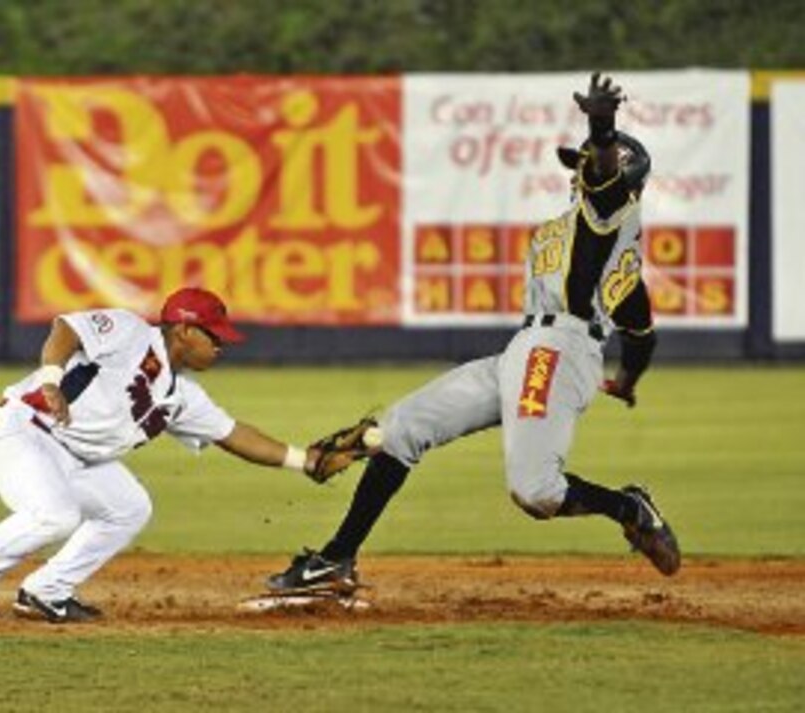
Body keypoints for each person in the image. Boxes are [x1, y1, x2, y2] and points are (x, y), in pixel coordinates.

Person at [267, 72, 680, 596]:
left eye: (586, 165)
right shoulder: (594, 235)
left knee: (536, 492)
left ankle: (627, 508)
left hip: (558, 349)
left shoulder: (613, 210)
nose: (577, 172)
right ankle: (336, 559)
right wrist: (627, 380)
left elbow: (605, 177)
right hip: (528, 349)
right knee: (402, 429)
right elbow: (642, 334)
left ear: (622, 177)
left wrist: (601, 127)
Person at [0, 287, 325, 623]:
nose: (221, 345)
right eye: (214, 335)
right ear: (185, 329)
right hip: (24, 431)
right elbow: (66, 328)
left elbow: (234, 435)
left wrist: (304, 460)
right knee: (56, 515)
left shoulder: (182, 396)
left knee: (129, 506)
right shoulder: (132, 332)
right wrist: (51, 379)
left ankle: (46, 592)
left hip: (75, 456)